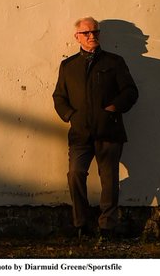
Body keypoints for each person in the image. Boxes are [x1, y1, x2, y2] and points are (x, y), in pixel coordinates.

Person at [52, 16, 139, 235]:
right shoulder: (68, 66)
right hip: (80, 133)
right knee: (75, 174)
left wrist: (113, 108)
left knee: (109, 179)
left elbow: (130, 91)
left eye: (96, 32)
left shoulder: (114, 62)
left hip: (109, 131)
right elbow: (59, 97)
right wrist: (71, 115)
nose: (92, 36)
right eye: (87, 33)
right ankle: (82, 223)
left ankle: (107, 226)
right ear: (77, 37)